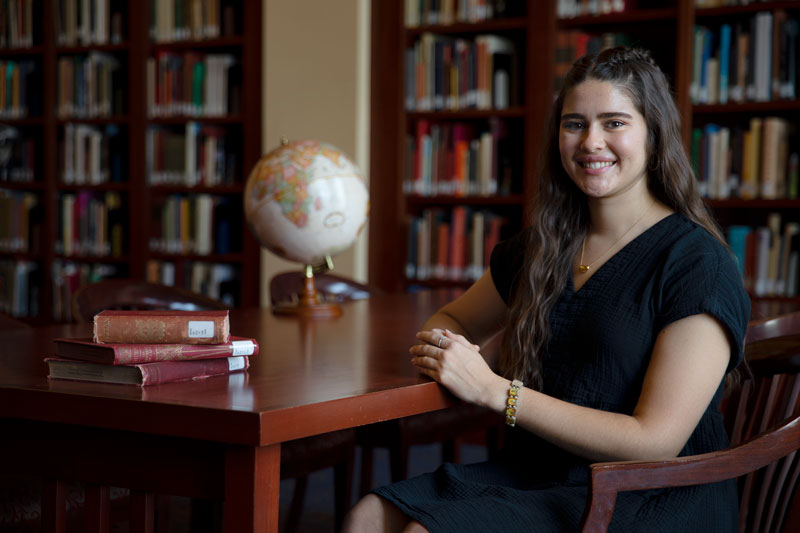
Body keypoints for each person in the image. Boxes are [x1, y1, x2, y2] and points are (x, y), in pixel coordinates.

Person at [344, 46, 750, 532]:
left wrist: (495, 390)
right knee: (367, 517)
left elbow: (655, 441)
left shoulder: (696, 262)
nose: (591, 142)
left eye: (615, 123)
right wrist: (450, 352)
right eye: (575, 123)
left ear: (654, 134)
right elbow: (451, 320)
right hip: (541, 472)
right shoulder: (542, 247)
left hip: (653, 493)